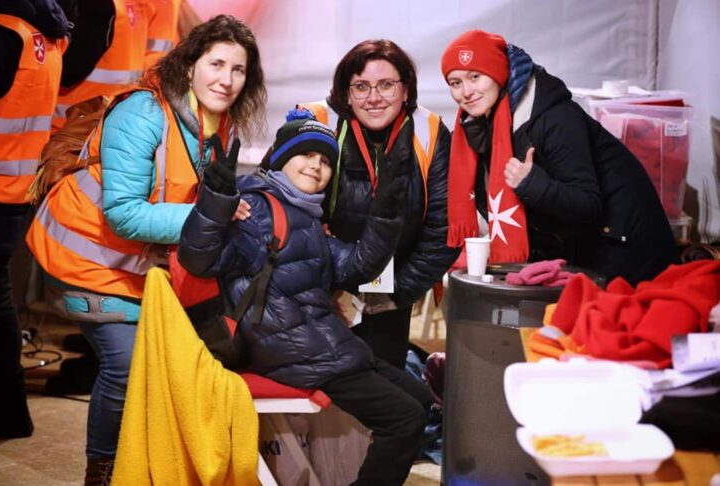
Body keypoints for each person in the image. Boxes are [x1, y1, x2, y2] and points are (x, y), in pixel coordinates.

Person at [25, 14, 266, 484]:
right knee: (125, 365)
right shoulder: (143, 114)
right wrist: (211, 219)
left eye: (239, 70)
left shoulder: (218, 121)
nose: (227, 79)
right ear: (190, 63)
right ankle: (102, 468)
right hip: (85, 257)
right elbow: (125, 213)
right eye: (217, 64)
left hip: (141, 262)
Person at [179, 109, 432, 486]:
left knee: (419, 399)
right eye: (306, 155)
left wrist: (386, 212)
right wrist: (213, 202)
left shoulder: (306, 216)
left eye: (326, 161)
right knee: (404, 418)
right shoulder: (255, 208)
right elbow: (198, 258)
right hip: (288, 351)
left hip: (321, 345)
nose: (317, 166)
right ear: (281, 158)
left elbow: (357, 266)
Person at [440, 29, 679, 285]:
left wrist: (532, 184)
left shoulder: (556, 118)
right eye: (456, 83)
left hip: (628, 256)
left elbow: (588, 205)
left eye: (475, 77)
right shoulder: (481, 127)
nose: (466, 91)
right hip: (584, 252)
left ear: (498, 73)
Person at [300, 39, 459, 370]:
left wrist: (398, 293)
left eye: (386, 85)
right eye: (361, 86)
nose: (374, 98)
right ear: (345, 93)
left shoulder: (429, 131)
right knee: (328, 402)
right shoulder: (315, 120)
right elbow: (282, 213)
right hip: (320, 295)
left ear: (405, 90)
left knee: (387, 386)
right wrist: (325, 288)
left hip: (392, 292)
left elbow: (445, 227)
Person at [0, 0, 71, 439]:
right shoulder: (42, 30)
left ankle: (6, 414)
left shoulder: (4, 33)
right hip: (9, 193)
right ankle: (9, 414)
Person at [52, 0, 153, 131]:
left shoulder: (98, 7)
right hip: (112, 127)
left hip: (71, 130)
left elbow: (69, 71)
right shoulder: (138, 5)